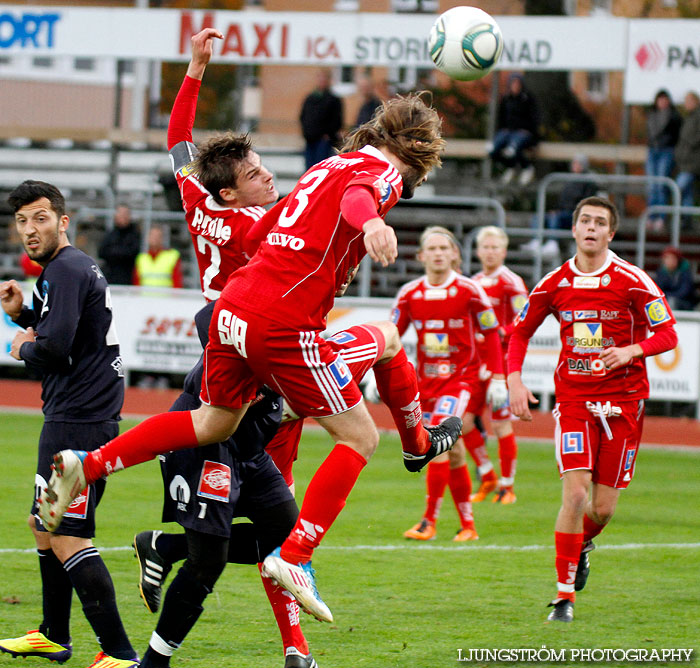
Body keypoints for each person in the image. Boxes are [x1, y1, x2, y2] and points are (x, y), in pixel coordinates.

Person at [40, 85, 462, 626]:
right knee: (360, 435)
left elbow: (263, 227)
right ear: (419, 150)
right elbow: (360, 196)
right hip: (282, 323)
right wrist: (372, 224)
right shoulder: (382, 174)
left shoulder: (324, 167)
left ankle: (89, 464)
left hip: (232, 308)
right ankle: (297, 555)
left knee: (212, 421)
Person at [507, 195, 679, 623]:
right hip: (575, 402)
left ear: (611, 233)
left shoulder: (632, 280)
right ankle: (564, 598)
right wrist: (513, 380)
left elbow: (669, 333)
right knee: (576, 492)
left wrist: (632, 351)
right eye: (584, 220)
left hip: (624, 404)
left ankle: (582, 543)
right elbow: (519, 333)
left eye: (599, 223)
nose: (590, 228)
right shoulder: (554, 283)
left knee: (601, 509)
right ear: (573, 229)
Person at [0, 181, 139, 668]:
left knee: (67, 534)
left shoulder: (65, 269)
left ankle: (119, 653)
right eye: (21, 221)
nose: (29, 230)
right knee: (43, 524)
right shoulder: (69, 269)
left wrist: (17, 343)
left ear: (63, 220)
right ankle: (53, 633)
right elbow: (67, 329)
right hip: (77, 415)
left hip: (79, 422)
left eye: (40, 218)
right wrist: (26, 314)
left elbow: (53, 350)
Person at [393, 226, 508, 542]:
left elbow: (492, 334)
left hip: (460, 381)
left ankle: (428, 522)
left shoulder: (470, 290)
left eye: (445, 248)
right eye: (432, 249)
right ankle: (468, 526)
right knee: (454, 454)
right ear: (420, 256)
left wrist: (498, 379)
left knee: (434, 445)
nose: (439, 253)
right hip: (425, 383)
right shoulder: (409, 294)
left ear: (455, 255)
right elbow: (391, 338)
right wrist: (380, 374)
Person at [470, 226, 528, 503]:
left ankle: (508, 486)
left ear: (504, 251)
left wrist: (501, 332)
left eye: (495, 247)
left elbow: (524, 317)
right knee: (465, 422)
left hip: (501, 363)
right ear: (478, 251)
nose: (490, 252)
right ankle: (487, 475)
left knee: (501, 424)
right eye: (486, 247)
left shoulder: (511, 281)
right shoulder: (475, 281)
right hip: (475, 362)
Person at [521, 153, 598, 259]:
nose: (575, 166)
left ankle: (553, 243)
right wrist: (556, 209)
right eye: (574, 163)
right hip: (563, 212)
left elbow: (586, 203)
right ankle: (536, 241)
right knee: (538, 217)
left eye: (578, 164)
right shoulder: (569, 181)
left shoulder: (588, 182)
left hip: (575, 215)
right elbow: (562, 200)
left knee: (556, 217)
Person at [489, 73, 540, 186]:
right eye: (513, 83)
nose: (515, 86)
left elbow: (535, 119)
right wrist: (502, 129)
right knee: (493, 149)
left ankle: (526, 167)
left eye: (518, 83)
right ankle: (510, 166)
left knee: (513, 148)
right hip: (508, 132)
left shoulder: (527, 99)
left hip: (523, 133)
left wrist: (530, 132)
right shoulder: (506, 99)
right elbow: (501, 117)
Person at [645, 89, 681, 232]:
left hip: (666, 151)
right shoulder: (652, 115)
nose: (663, 102)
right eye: (660, 99)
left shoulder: (673, 116)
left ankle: (661, 217)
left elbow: (676, 136)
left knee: (661, 184)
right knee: (652, 184)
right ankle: (651, 216)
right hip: (653, 151)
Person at [299, 68, 344, 170]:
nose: (322, 80)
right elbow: (303, 116)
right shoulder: (310, 98)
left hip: (323, 141)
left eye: (324, 78)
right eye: (320, 78)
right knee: (309, 170)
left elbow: (337, 120)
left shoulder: (334, 99)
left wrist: (328, 134)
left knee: (322, 168)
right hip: (310, 139)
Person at [98, 204, 141, 285]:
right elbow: (101, 252)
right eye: (120, 213)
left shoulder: (134, 235)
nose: (122, 216)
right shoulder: (110, 234)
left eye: (125, 214)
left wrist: (114, 252)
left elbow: (132, 253)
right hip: (110, 278)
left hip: (127, 279)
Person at [674, 91, 700, 217]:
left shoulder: (697, 116)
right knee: (687, 192)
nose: (686, 104)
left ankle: (682, 218)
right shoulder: (689, 116)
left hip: (693, 162)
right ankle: (686, 220)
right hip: (685, 161)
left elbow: (693, 138)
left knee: (679, 187)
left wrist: (689, 143)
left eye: (689, 101)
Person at [133, 224, 183, 288]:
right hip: (145, 297)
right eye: (152, 236)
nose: (155, 239)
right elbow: (136, 282)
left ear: (162, 238)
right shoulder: (141, 258)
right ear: (147, 238)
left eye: (158, 236)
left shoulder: (172, 256)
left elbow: (177, 281)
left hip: (166, 297)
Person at [655, 246, 697, 311]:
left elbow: (684, 292)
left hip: (685, 303)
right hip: (668, 299)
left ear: (677, 260)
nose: (669, 261)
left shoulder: (685, 272)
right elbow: (658, 289)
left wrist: (668, 296)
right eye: (666, 258)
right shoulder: (662, 272)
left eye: (672, 258)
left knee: (672, 302)